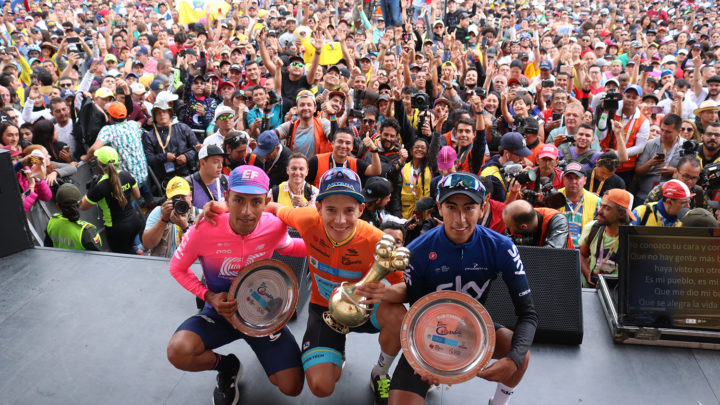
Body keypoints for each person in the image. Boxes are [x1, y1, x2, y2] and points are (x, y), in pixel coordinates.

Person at [202, 168, 407, 404]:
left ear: (361, 210)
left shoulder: (376, 240)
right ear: (318, 208)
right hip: (324, 310)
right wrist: (224, 208)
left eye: (349, 211)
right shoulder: (306, 219)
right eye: (331, 210)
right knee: (321, 386)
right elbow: (270, 207)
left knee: (399, 316)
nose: (340, 220)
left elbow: (404, 288)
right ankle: (336, 348)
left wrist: (386, 292)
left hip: (364, 308)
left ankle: (380, 373)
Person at [385, 172, 537, 405]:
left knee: (521, 352)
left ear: (483, 206)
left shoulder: (502, 247)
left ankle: (498, 402)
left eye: (469, 208)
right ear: (439, 207)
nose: (460, 219)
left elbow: (528, 314)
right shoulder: (418, 250)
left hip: (474, 332)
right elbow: (416, 313)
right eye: (451, 207)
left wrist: (512, 361)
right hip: (429, 335)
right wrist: (426, 360)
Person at [166, 166, 307, 405]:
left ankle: (267, 354)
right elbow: (176, 268)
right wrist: (208, 296)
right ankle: (228, 366)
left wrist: (328, 247)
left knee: (292, 386)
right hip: (221, 312)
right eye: (238, 200)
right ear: (227, 197)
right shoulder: (204, 227)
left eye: (256, 202)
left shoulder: (274, 224)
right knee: (179, 351)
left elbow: (289, 247)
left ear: (267, 201)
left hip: (263, 312)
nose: (246, 212)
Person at [80, 146, 143, 254]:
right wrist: (121, 196)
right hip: (134, 221)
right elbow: (137, 195)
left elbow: (82, 206)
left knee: (122, 258)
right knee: (130, 250)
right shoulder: (127, 175)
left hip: (116, 229)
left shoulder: (99, 186)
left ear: (99, 163)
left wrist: (91, 188)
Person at [81, 102, 151, 201]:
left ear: (110, 117)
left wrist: (85, 158)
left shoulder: (108, 130)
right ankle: (150, 204)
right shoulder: (133, 124)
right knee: (146, 195)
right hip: (143, 174)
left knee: (131, 205)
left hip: (128, 181)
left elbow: (94, 149)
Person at [579, 189, 635, 287]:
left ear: (621, 213)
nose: (599, 211)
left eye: (607, 208)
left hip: (616, 294)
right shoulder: (591, 228)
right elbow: (582, 255)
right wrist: (587, 273)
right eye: (601, 205)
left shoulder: (632, 237)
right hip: (590, 290)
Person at [142, 177, 200, 258]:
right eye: (175, 198)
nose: (180, 202)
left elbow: (203, 250)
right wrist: (163, 219)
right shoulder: (159, 212)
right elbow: (147, 244)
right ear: (167, 199)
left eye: (183, 197)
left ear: (190, 196)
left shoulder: (200, 215)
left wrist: (185, 227)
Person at [306, 128, 382, 186]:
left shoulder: (355, 163)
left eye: (348, 143)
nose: (343, 146)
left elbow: (376, 171)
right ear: (332, 144)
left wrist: (374, 150)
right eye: (340, 141)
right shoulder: (316, 161)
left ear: (352, 147)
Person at [44, 183, 103, 251]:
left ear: (57, 205)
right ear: (80, 203)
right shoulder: (87, 232)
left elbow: (47, 249)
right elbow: (98, 258)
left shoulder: (51, 222)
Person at [557, 163, 600, 247]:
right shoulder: (554, 197)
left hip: (584, 253)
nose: (573, 182)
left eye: (577, 178)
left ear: (585, 180)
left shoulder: (596, 202)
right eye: (569, 178)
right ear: (563, 179)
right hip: (558, 251)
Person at [503, 200, 574, 248]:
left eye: (509, 226)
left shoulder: (557, 219)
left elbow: (554, 253)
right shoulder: (516, 220)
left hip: (563, 266)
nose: (506, 227)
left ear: (523, 226)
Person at [186, 145, 228, 211]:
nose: (220, 166)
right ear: (202, 163)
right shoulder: (187, 184)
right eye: (216, 162)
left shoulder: (227, 181)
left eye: (222, 162)